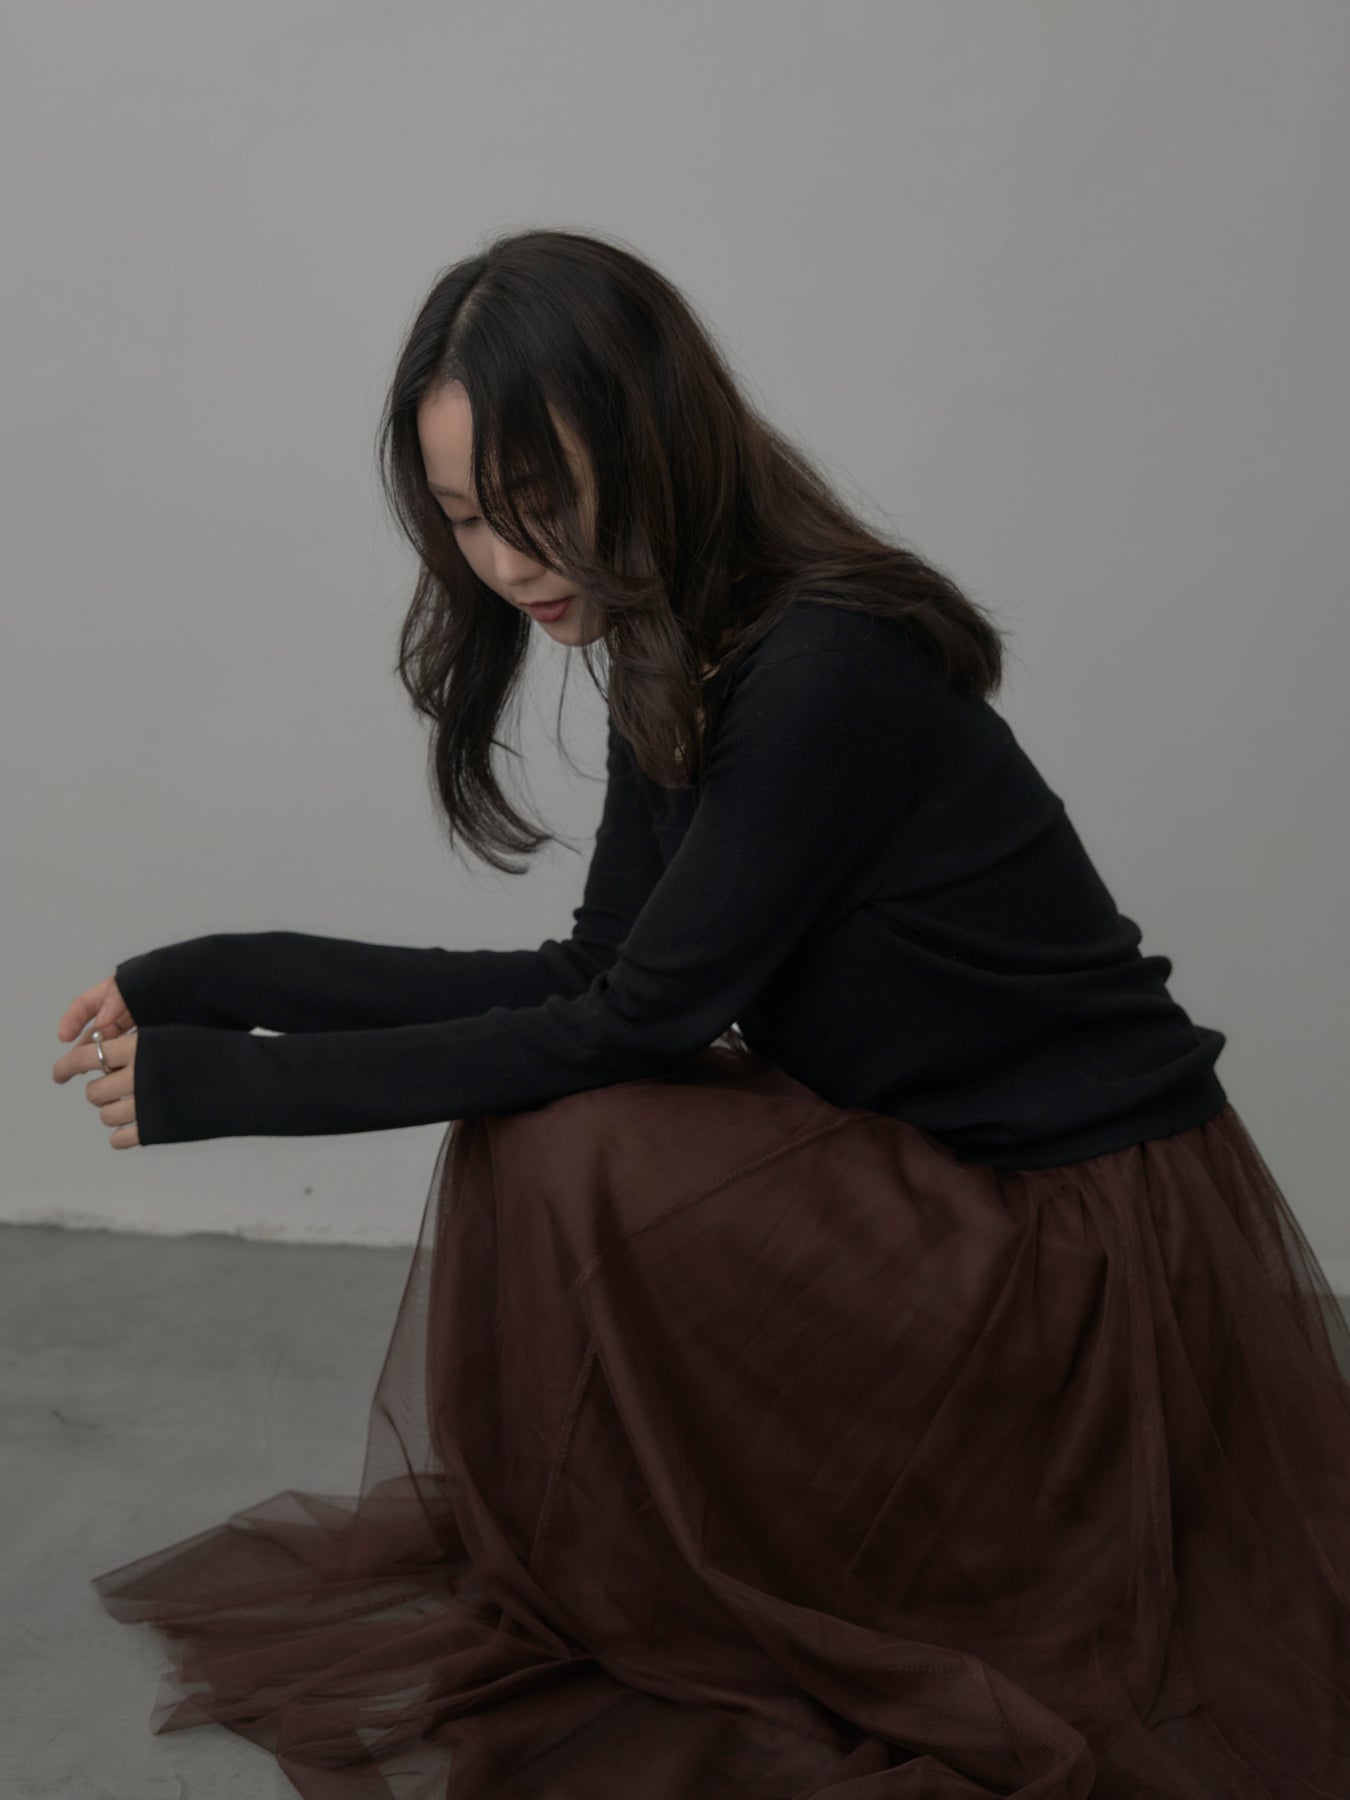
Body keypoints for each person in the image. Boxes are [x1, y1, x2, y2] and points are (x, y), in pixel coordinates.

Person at [54, 229, 1350, 1798]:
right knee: (549, 1120)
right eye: (463, 517)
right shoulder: (683, 643)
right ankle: (674, 1559)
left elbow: (625, 1027)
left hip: (1077, 1239)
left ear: (652, 438)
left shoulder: (820, 671)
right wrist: (215, 977)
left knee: (577, 1136)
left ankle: (747, 1569)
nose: (506, 560)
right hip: (932, 1174)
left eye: (538, 499)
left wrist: (227, 1089)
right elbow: (588, 978)